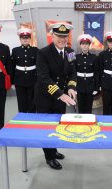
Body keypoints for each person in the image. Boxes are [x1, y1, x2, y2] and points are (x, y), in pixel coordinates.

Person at [34, 23, 77, 170]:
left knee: (57, 125)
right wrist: (61, 94)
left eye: (65, 36)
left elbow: (73, 72)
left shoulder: (70, 52)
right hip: (45, 97)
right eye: (59, 36)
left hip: (61, 97)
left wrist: (71, 87)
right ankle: (49, 156)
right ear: (52, 36)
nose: (62, 39)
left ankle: (54, 150)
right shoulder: (43, 53)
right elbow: (43, 77)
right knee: (47, 127)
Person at [11, 28, 38, 113]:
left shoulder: (35, 50)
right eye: (23, 38)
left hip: (32, 80)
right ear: (20, 39)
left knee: (32, 103)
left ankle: (32, 121)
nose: (25, 39)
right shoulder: (15, 50)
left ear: (30, 39)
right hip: (19, 80)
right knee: (21, 103)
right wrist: (12, 82)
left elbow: (39, 67)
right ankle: (22, 121)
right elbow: (12, 67)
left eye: (27, 37)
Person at [74, 34, 99, 113]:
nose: (85, 46)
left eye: (86, 44)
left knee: (89, 108)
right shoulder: (75, 57)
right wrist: (73, 87)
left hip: (90, 85)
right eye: (83, 44)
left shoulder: (94, 57)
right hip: (79, 85)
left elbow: (96, 73)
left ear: (89, 45)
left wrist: (96, 88)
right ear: (80, 45)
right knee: (80, 107)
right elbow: (73, 73)